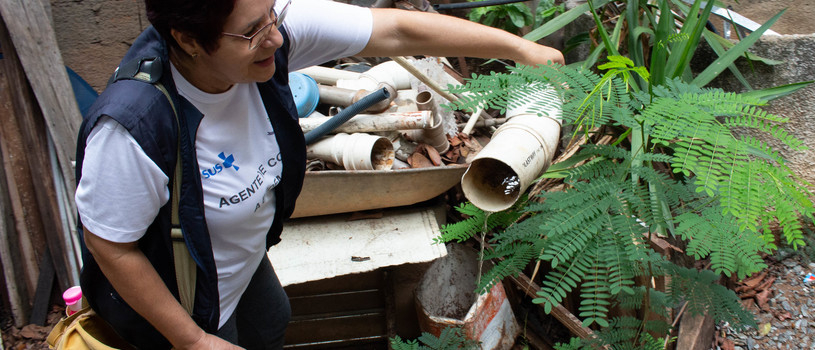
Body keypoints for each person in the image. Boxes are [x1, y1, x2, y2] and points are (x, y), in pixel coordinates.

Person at [74, 0, 563, 349]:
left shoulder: (265, 27)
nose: (276, 37)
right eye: (252, 32)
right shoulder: (134, 126)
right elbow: (110, 245)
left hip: (237, 265)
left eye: (272, 16)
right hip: (179, 298)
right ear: (187, 40)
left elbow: (395, 32)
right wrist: (194, 339)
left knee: (272, 322)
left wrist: (521, 49)